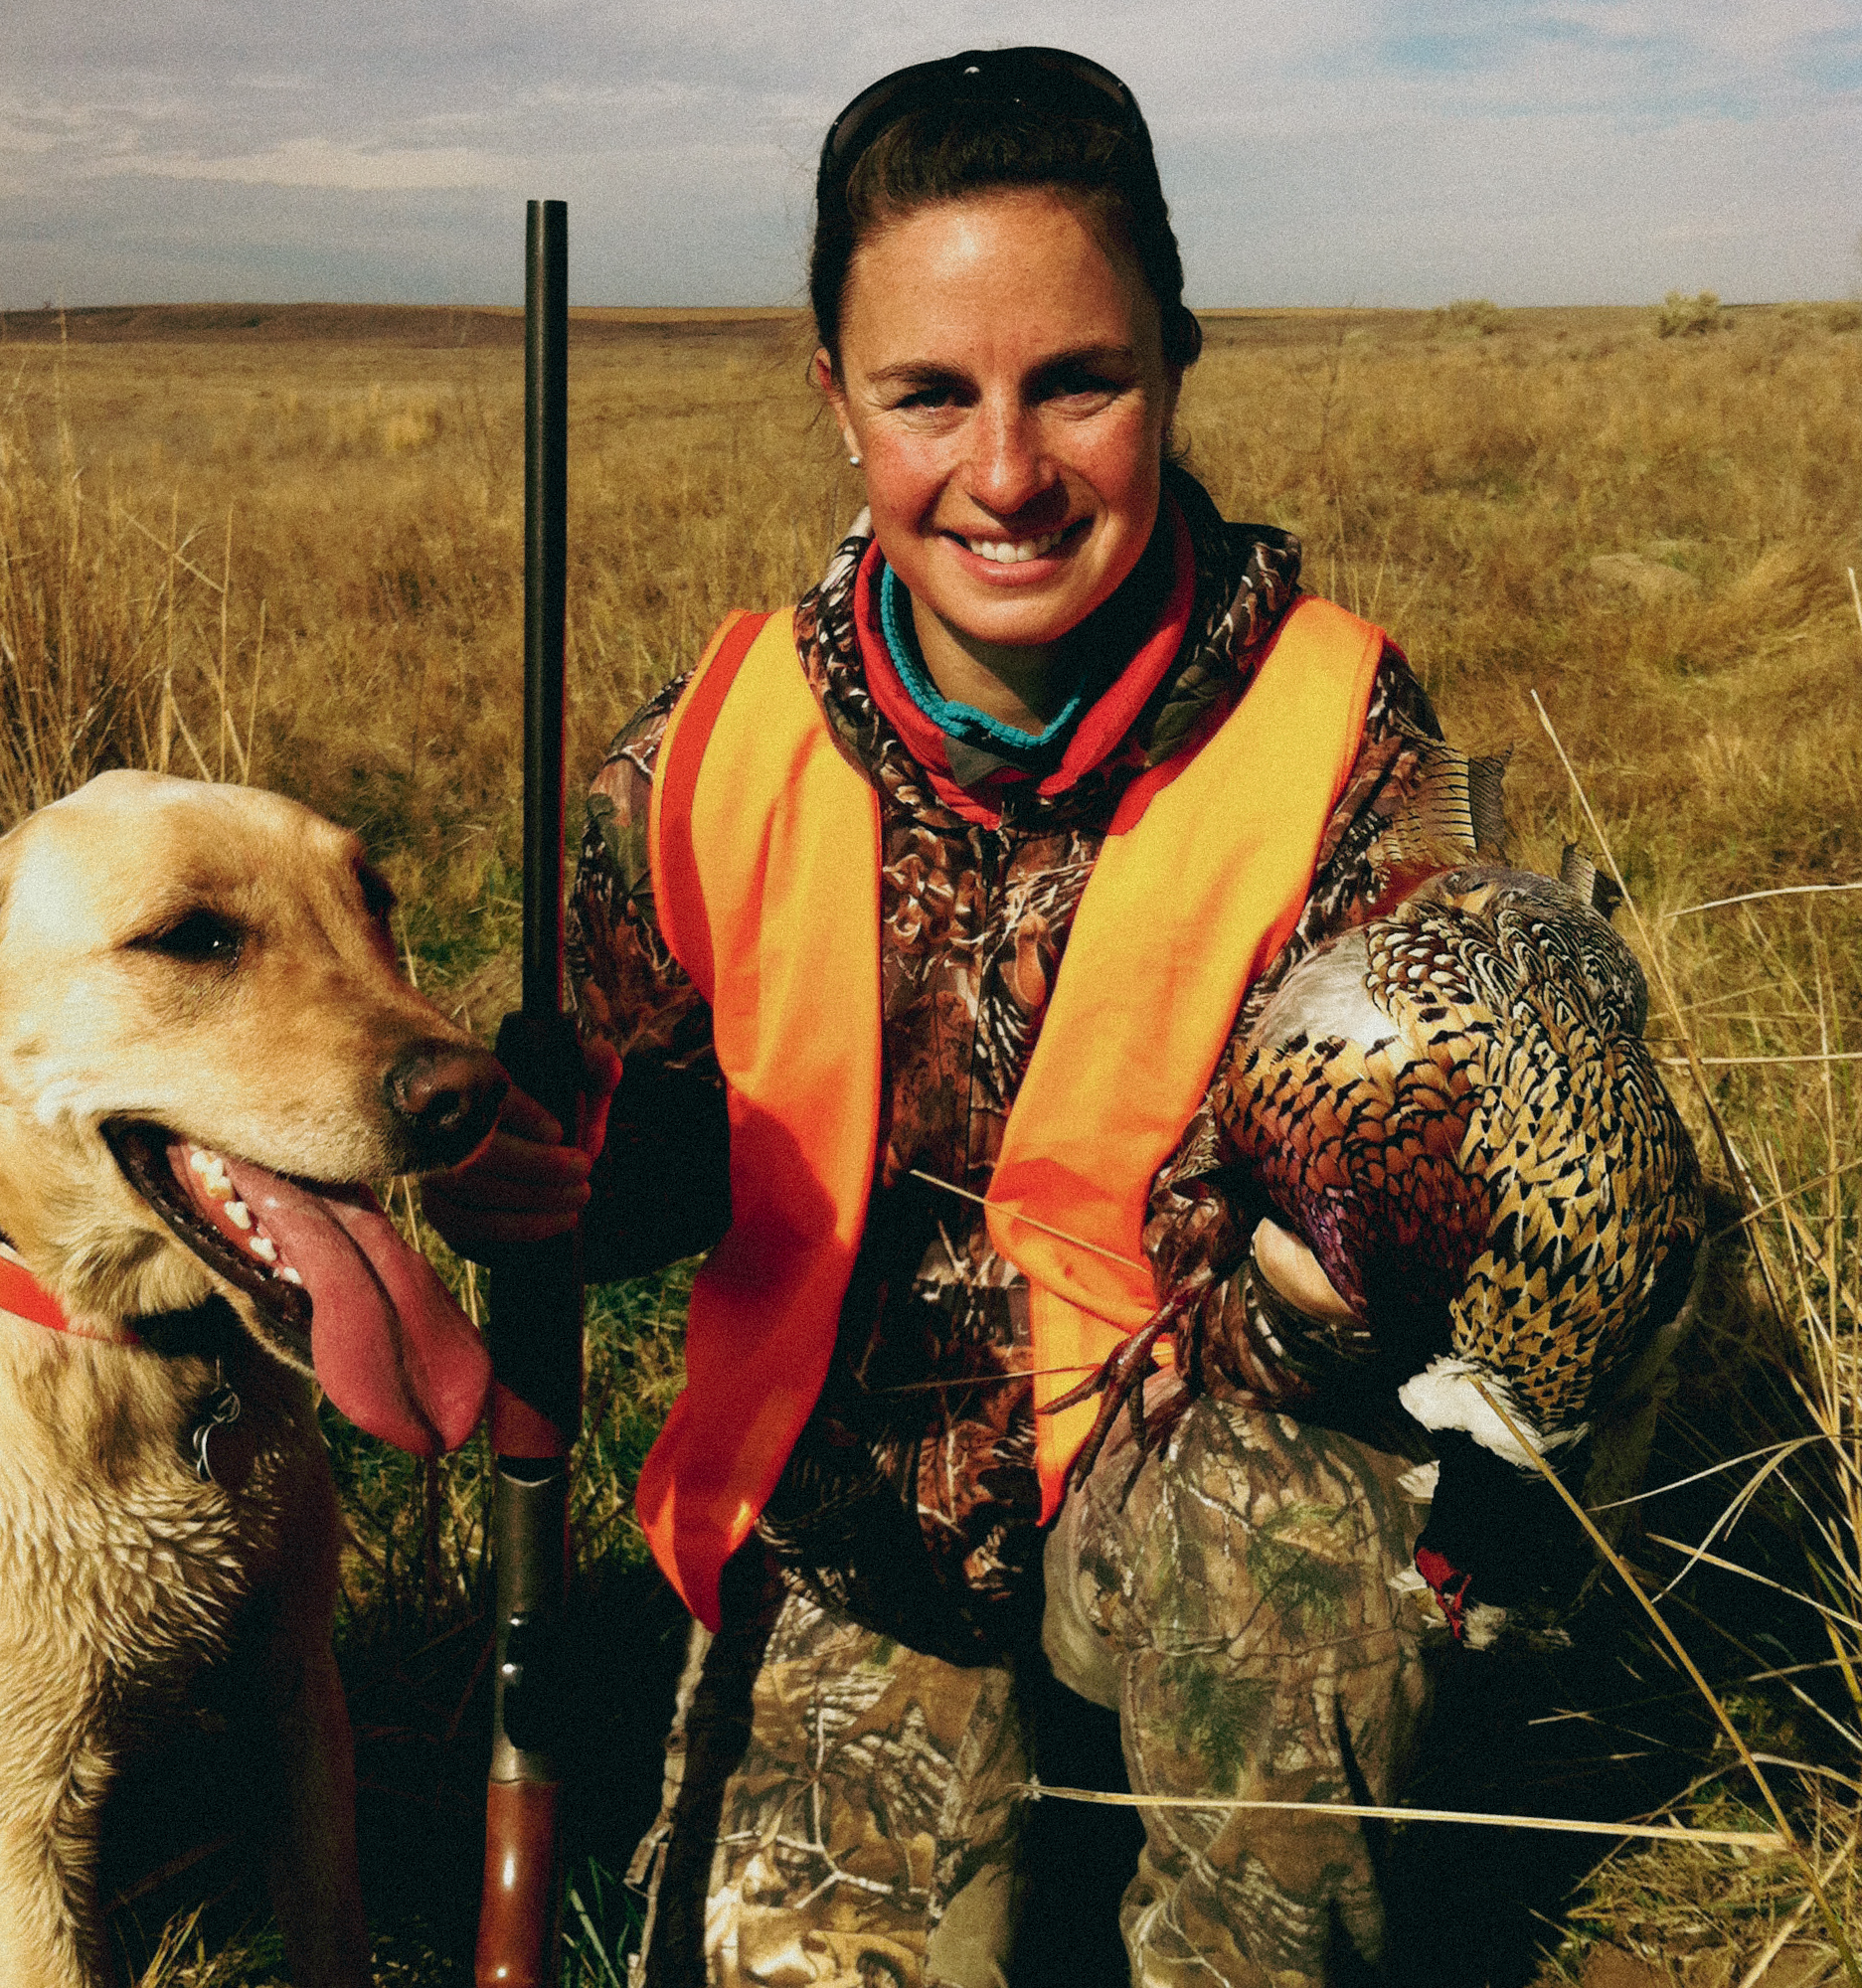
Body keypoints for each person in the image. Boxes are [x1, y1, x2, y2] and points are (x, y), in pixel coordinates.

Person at [426, 47, 1704, 1988]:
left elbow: (1515, 1222)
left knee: (1270, 1577)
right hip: (854, 1523)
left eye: (1075, 383)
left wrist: (1357, 1299)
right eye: (929, 393)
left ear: (1174, 363)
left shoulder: (1343, 736)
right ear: (832, 394)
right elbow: (635, 1167)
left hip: (1213, 1481)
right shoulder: (705, 749)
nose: (1003, 472)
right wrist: (536, 1178)